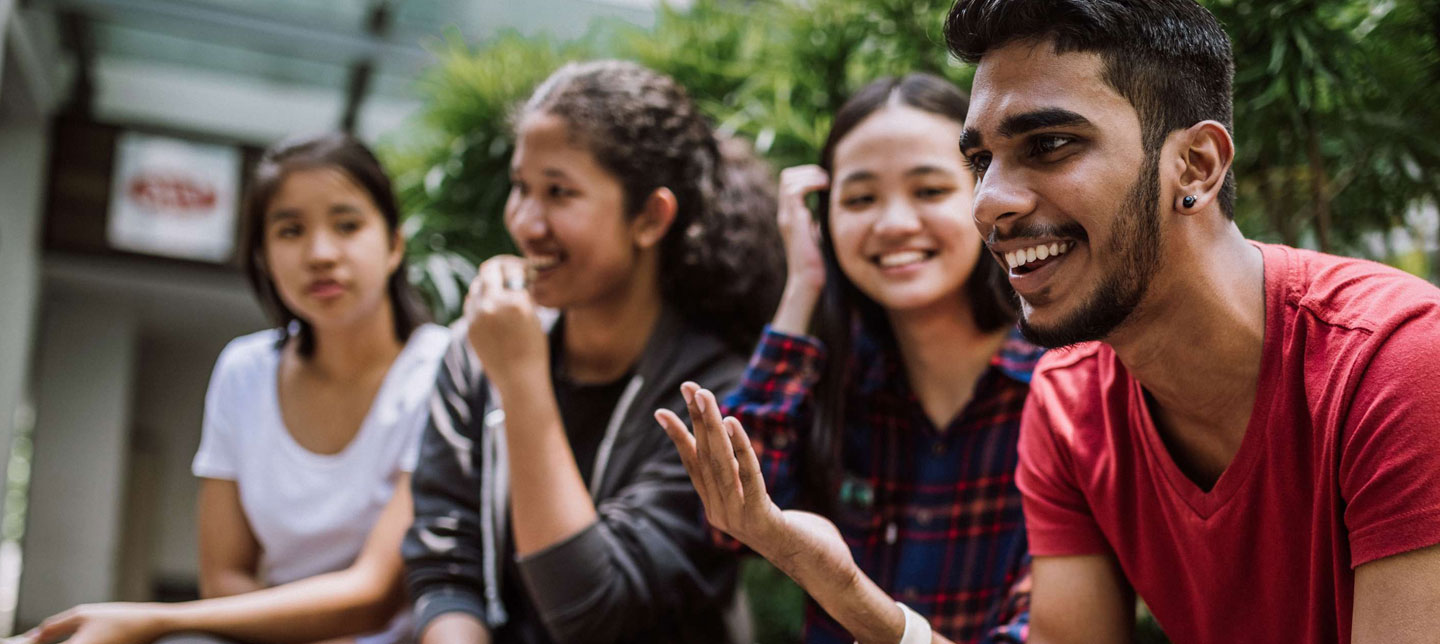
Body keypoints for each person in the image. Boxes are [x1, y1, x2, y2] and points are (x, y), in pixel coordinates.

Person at [947, 1, 1440, 642]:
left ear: (1197, 166)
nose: (988, 204)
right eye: (981, 161)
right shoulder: (1071, 404)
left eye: (1048, 145)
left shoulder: (1398, 365)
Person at [402, 60, 785, 644]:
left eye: (559, 192)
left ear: (650, 217)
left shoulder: (717, 397)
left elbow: (594, 613)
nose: (526, 222)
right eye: (521, 187)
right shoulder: (474, 352)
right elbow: (445, 568)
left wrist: (522, 382)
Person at [23, 133, 450, 644]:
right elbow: (224, 577)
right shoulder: (243, 371)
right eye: (290, 230)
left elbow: (374, 595)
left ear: (394, 244)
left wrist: (153, 618)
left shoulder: (442, 369)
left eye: (348, 225)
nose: (320, 253)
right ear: (264, 256)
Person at [713, 74, 1039, 644]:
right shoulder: (837, 378)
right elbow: (731, 526)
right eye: (860, 199)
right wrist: (802, 288)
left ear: (989, 196)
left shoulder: (1063, 391)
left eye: (930, 191)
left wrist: (852, 598)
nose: (892, 224)